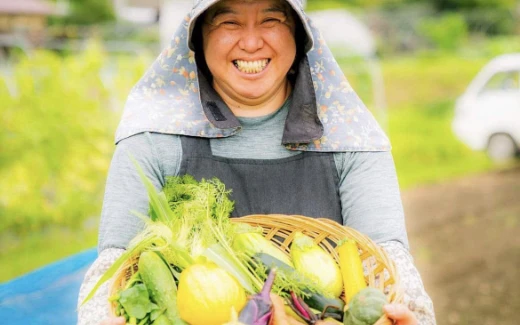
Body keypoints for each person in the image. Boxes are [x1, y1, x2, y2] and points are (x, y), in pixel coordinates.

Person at [77, 0, 436, 324]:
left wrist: (413, 316)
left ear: (299, 33)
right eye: (228, 23)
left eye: (272, 20)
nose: (250, 43)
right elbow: (113, 265)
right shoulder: (153, 139)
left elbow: (388, 261)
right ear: (197, 36)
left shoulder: (351, 140)